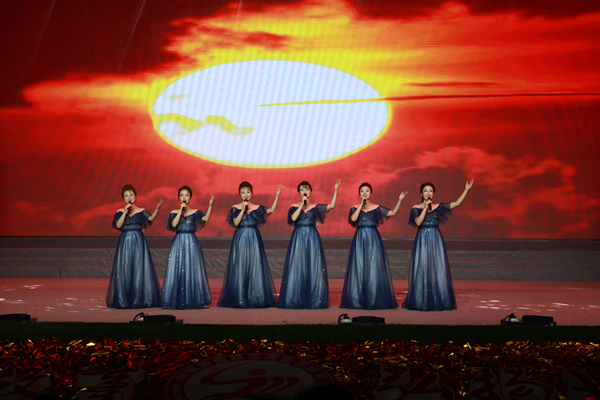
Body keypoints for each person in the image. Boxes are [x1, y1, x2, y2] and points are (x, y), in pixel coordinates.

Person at [402, 180, 474, 311]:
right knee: (423, 266)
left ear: (433, 193)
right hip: (422, 238)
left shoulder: (438, 207)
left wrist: (466, 190)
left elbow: (456, 203)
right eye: (425, 191)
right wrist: (425, 208)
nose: (428, 193)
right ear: (421, 194)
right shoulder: (416, 208)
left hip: (436, 238)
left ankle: (437, 298)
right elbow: (418, 222)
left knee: (437, 266)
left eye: (430, 191)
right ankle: (420, 299)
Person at [340, 183, 408, 309]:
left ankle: (374, 298)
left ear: (371, 193)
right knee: (359, 266)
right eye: (362, 191)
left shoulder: (377, 208)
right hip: (360, 238)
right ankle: (358, 299)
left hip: (373, 239)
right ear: (359, 194)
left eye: (367, 191)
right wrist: (361, 205)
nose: (364, 193)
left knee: (373, 266)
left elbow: (392, 213)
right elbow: (353, 219)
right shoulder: (354, 208)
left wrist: (399, 200)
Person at [218, 181, 283, 308]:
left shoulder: (257, 208)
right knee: (241, 265)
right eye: (243, 192)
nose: (246, 194)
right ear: (239, 194)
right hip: (241, 237)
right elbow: (236, 223)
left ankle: (255, 297)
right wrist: (243, 209)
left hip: (254, 237)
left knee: (255, 265)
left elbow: (271, 210)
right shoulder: (235, 208)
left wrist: (276, 196)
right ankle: (240, 297)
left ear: (251, 193)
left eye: (248, 192)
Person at [277, 179, 341, 309]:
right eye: (302, 190)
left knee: (312, 265)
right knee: (298, 265)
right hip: (298, 237)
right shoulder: (294, 207)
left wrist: (335, 190)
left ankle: (313, 299)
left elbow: (331, 206)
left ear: (311, 191)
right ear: (299, 193)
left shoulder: (315, 207)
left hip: (312, 237)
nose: (304, 191)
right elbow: (293, 218)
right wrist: (302, 204)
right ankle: (296, 298)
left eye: (306, 189)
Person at [106, 183, 164, 308]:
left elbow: (151, 219)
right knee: (125, 268)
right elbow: (118, 225)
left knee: (139, 267)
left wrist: (157, 209)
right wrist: (124, 212)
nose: (129, 197)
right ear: (123, 199)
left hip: (138, 241)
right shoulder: (120, 212)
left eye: (131, 195)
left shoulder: (141, 211)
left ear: (135, 196)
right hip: (125, 241)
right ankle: (124, 299)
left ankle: (139, 299)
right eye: (126, 196)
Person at [161, 186, 214, 309]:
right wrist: (181, 210)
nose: (184, 197)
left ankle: (196, 300)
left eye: (186, 195)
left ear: (190, 197)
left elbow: (205, 218)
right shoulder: (174, 212)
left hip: (191, 241)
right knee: (176, 268)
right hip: (178, 242)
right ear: (178, 197)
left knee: (193, 267)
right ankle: (171, 300)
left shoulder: (195, 212)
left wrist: (210, 206)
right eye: (181, 195)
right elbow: (174, 224)